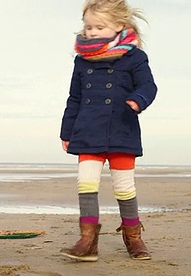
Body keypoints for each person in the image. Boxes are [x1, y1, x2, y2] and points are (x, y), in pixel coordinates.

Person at [59, 0, 157, 262]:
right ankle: (88, 240)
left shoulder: (135, 57)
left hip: (121, 129)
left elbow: (149, 86)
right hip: (87, 131)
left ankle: (133, 238)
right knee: (86, 185)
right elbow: (75, 98)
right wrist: (66, 132)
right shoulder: (82, 61)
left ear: (119, 26)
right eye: (88, 26)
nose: (91, 32)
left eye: (98, 27)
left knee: (124, 188)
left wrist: (138, 100)